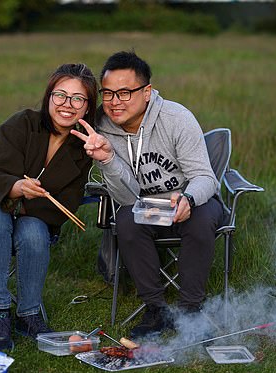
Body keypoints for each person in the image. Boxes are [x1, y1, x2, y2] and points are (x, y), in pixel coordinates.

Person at [0, 63, 97, 351]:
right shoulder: (22, 123)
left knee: (34, 233)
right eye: (60, 95)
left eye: (78, 99)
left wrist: (13, 201)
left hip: (33, 215)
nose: (67, 105)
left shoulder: (83, 149)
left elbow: (67, 203)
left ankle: (28, 314)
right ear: (49, 97)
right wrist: (15, 189)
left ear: (87, 107)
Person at [72, 51, 223, 338]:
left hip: (192, 200)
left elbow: (205, 178)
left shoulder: (176, 118)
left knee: (201, 220)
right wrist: (106, 160)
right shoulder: (102, 127)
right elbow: (128, 197)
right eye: (109, 94)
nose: (115, 102)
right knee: (128, 220)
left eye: (125, 93)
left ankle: (190, 309)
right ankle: (155, 309)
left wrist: (188, 199)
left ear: (147, 92)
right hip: (146, 206)